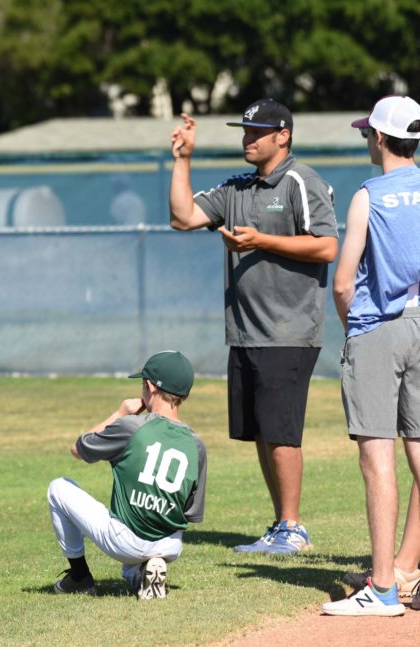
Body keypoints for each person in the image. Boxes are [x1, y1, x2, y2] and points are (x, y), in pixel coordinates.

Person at [169, 99, 338, 554]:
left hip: (289, 330)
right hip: (246, 331)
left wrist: (260, 240)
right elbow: (183, 218)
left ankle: (293, 526)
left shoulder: (303, 182)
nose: (248, 138)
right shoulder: (237, 187)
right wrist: (182, 160)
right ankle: (282, 524)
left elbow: (326, 247)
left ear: (283, 135)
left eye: (257, 131)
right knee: (263, 429)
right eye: (244, 130)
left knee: (281, 429)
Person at [322, 96, 420, 617]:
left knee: (377, 456)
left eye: (368, 134)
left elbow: (343, 283)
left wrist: (353, 330)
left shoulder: (369, 195)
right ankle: (405, 569)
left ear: (380, 139)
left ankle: (383, 589)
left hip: (378, 327)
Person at [47, 351, 207, 599]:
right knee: (134, 562)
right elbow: (191, 512)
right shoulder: (196, 444)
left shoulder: (132, 426)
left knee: (58, 488)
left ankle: (79, 576)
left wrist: (120, 414)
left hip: (126, 541)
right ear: (184, 394)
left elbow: (78, 449)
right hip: (170, 544)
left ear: (151, 386)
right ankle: (145, 571)